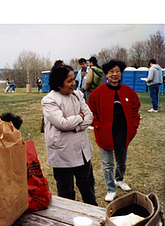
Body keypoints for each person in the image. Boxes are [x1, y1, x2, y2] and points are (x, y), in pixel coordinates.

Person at [41, 64, 97, 206]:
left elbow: (89, 116)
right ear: (59, 83)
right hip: (63, 153)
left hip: (81, 150)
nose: (74, 83)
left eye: (73, 79)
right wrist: (80, 117)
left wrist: (75, 127)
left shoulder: (77, 94)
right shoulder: (49, 100)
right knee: (66, 193)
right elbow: (62, 123)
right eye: (69, 81)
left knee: (88, 189)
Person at [88, 59, 141, 202]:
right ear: (106, 74)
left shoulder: (128, 91)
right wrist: (98, 126)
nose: (114, 74)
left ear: (121, 73)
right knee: (107, 163)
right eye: (111, 71)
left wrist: (134, 125)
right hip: (104, 132)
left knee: (121, 160)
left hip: (122, 132)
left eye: (117, 71)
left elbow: (136, 110)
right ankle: (110, 189)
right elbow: (91, 112)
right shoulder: (97, 93)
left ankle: (119, 179)